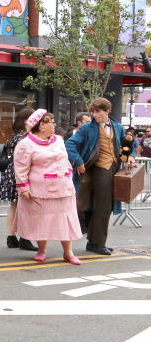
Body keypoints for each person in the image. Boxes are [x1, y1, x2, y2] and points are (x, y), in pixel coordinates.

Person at [66, 97, 135, 255]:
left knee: (106, 206)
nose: (94, 115)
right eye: (93, 112)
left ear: (107, 111)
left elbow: (125, 147)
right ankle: (97, 243)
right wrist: (77, 161)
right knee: (104, 206)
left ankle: (94, 241)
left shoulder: (117, 126)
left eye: (98, 111)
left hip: (114, 169)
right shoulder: (87, 128)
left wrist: (130, 156)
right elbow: (70, 144)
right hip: (97, 169)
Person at [13, 110, 83, 265]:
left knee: (65, 219)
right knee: (41, 220)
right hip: (40, 189)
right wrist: (24, 187)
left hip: (63, 187)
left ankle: (68, 252)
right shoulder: (25, 144)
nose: (54, 125)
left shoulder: (58, 140)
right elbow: (20, 167)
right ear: (41, 125)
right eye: (51, 122)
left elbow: (65, 160)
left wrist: (68, 173)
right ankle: (41, 250)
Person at [0, 108, 37, 251]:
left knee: (14, 206)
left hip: (12, 173)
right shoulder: (26, 136)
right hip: (20, 174)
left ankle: (11, 237)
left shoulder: (17, 135)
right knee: (24, 206)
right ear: (27, 120)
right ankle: (24, 238)